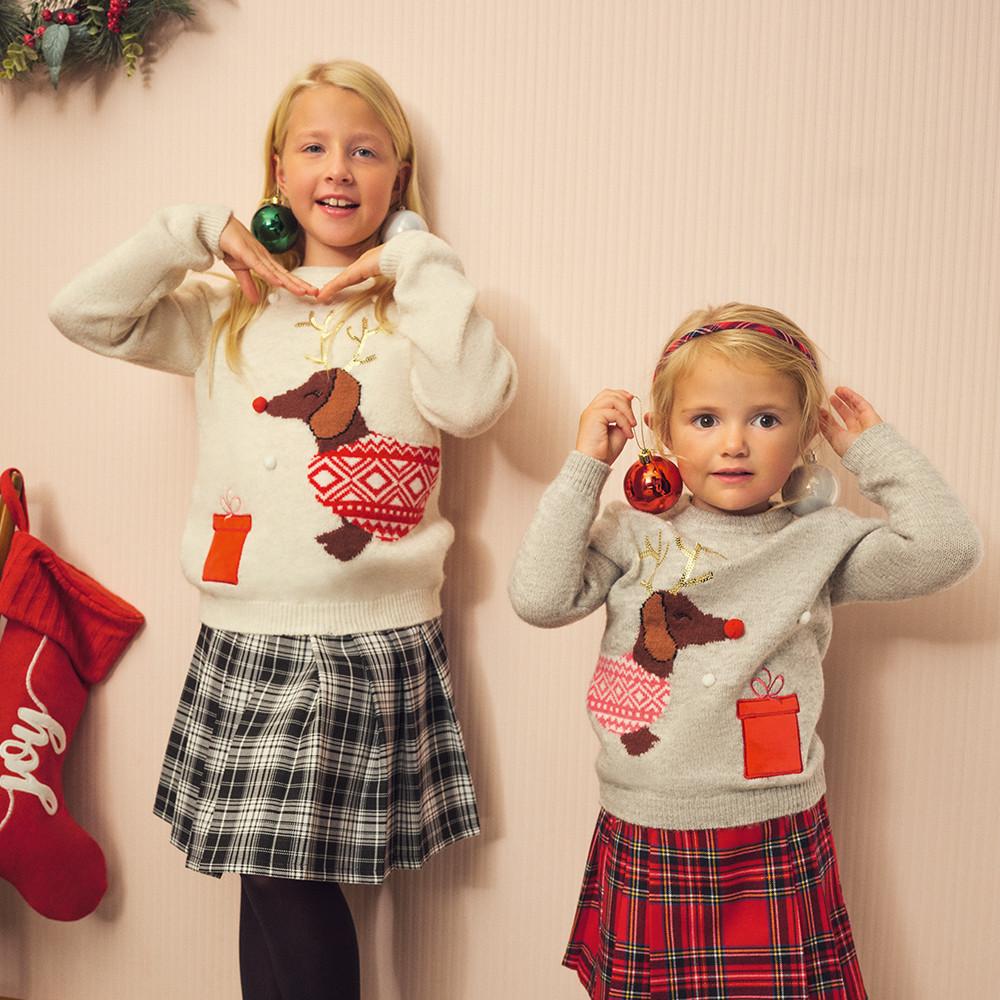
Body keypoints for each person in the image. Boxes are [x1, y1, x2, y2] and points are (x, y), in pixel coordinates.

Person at [49, 59, 516, 1000]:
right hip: (244, 630)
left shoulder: (412, 311)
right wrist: (192, 230)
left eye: (365, 151)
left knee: (282, 876)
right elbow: (82, 313)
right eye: (314, 147)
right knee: (265, 881)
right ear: (277, 171)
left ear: (397, 176)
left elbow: (475, 403)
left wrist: (420, 257)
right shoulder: (229, 309)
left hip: (362, 637)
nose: (338, 168)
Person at [508, 303, 980, 999]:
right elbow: (540, 599)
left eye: (765, 419)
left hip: (773, 826)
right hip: (652, 822)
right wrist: (587, 467)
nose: (735, 443)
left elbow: (948, 549)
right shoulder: (634, 531)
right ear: (663, 433)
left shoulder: (818, 543)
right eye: (706, 420)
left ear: (804, 435)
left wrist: (875, 453)